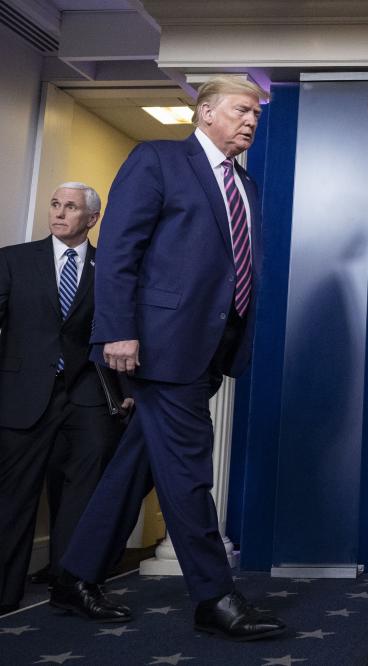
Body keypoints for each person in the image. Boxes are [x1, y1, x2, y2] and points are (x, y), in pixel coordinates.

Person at [52, 76, 285, 640]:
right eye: (241, 110)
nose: (251, 120)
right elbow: (119, 251)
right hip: (159, 348)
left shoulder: (246, 184)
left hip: (210, 350)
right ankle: (214, 596)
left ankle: (75, 577)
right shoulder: (157, 160)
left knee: (135, 465)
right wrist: (117, 331)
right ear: (205, 113)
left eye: (256, 113)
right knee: (188, 471)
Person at [0, 183, 128, 616]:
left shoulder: (110, 268)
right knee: (14, 494)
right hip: (23, 394)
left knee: (83, 494)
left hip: (87, 394)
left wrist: (127, 392)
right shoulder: (13, 260)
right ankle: (4, 592)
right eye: (55, 205)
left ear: (92, 218)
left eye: (70, 207)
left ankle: (70, 585)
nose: (58, 213)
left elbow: (122, 329)